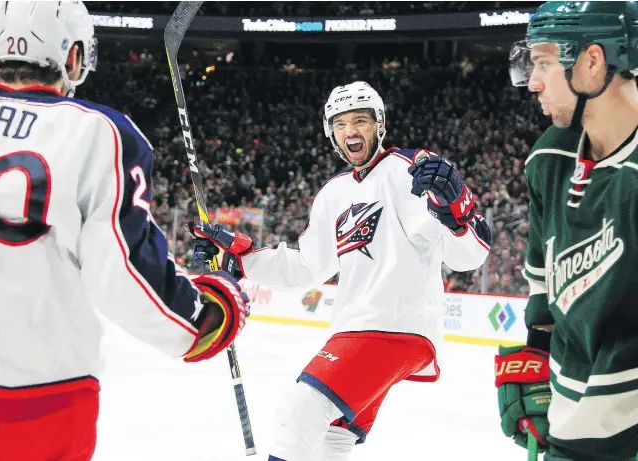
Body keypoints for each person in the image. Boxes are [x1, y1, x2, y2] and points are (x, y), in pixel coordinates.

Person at [0, 2, 248, 460]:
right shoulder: (99, 132)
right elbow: (120, 271)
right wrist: (208, 314)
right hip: (39, 395)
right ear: (73, 56)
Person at [190, 80, 491, 461]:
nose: (351, 131)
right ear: (331, 134)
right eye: (341, 123)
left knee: (299, 412)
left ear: (380, 125)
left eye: (361, 120)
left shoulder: (410, 171)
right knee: (332, 442)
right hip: (355, 329)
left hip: (395, 329)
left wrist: (457, 210)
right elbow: (305, 267)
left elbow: (469, 256)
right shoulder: (333, 193)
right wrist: (242, 257)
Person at [494, 2, 638, 460]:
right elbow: (544, 281)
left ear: (592, 62)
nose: (532, 82)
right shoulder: (549, 158)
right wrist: (536, 352)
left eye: (544, 63)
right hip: (567, 439)